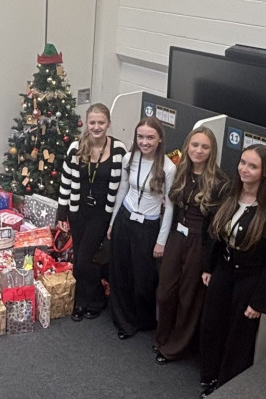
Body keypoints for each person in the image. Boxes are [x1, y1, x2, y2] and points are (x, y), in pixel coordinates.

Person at [199, 144, 266, 397]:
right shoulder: (227, 193)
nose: (244, 169)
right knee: (211, 325)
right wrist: (208, 267)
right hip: (223, 271)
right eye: (242, 162)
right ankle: (209, 376)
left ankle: (226, 385)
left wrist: (259, 302)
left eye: (252, 166)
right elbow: (211, 233)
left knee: (238, 335)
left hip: (250, 279)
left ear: (265, 173)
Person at [154, 127, 229, 364]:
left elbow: (217, 227)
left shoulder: (219, 181)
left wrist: (209, 262)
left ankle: (176, 347)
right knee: (165, 291)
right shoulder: (179, 170)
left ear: (212, 150)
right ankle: (163, 337)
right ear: (188, 145)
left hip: (200, 240)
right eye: (195, 145)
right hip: (178, 234)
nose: (198, 150)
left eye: (205, 147)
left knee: (189, 296)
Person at [56, 103, 127, 321]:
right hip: (78, 211)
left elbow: (122, 189)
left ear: (108, 124)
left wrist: (114, 220)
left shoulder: (118, 150)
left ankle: (96, 297)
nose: (96, 127)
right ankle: (82, 301)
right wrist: (61, 213)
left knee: (86, 260)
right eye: (92, 122)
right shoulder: (76, 147)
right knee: (79, 259)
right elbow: (66, 181)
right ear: (87, 123)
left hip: (101, 214)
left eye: (101, 123)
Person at [107, 116, 176, 340]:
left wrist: (161, 241)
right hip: (125, 219)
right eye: (140, 137)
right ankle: (124, 321)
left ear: (159, 139)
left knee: (143, 279)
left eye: (150, 137)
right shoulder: (129, 157)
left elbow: (170, 207)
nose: (144, 142)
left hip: (148, 225)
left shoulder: (168, 167)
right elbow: (122, 191)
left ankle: (142, 319)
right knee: (120, 271)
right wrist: (112, 222)